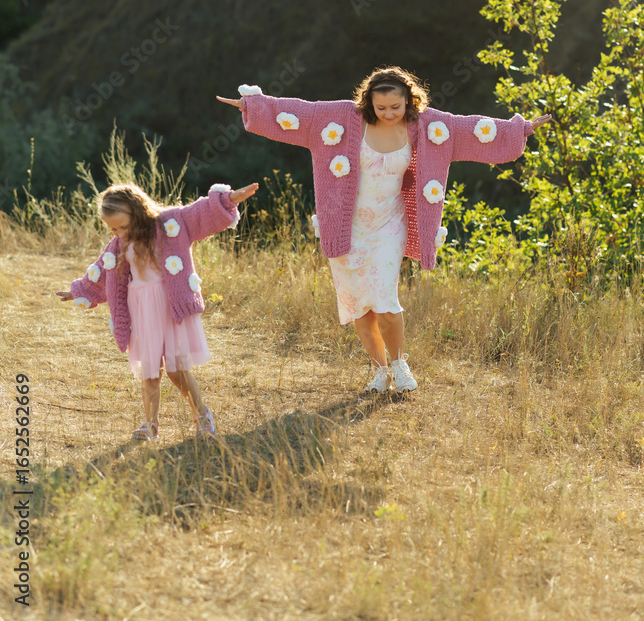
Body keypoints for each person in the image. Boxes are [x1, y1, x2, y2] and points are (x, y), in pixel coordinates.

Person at [217, 67, 550, 394]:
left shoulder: (428, 126)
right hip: (346, 227)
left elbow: (472, 130)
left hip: (390, 225)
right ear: (368, 103)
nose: (389, 113)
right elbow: (298, 113)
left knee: (385, 302)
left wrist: (517, 130)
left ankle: (400, 364)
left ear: (409, 101)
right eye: (381, 108)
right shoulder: (344, 118)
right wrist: (252, 106)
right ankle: (379, 371)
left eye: (395, 106)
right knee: (359, 307)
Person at [56, 180, 258, 440]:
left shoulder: (169, 225)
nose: (119, 233)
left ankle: (202, 415)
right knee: (149, 372)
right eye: (113, 228)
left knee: (176, 370)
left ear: (137, 212)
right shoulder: (118, 245)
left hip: (169, 306)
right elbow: (102, 272)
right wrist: (78, 291)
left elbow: (199, 214)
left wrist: (227, 200)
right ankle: (150, 424)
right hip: (142, 310)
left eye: (123, 226)